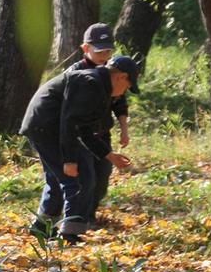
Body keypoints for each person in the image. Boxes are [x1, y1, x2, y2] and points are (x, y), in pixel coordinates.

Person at [20, 56, 140, 243]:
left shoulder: (99, 85)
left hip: (52, 128)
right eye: (127, 87)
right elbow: (70, 123)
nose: (122, 93)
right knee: (76, 179)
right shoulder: (91, 83)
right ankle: (69, 235)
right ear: (121, 77)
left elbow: (85, 130)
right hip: (45, 127)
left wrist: (110, 155)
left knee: (63, 180)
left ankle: (42, 229)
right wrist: (69, 160)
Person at [67, 23, 134, 227]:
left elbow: (120, 103)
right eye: (99, 51)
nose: (104, 56)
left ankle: (90, 214)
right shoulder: (76, 72)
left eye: (108, 51)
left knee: (102, 177)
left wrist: (124, 130)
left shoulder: (112, 73)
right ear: (85, 48)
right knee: (87, 178)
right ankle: (79, 219)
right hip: (83, 136)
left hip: (102, 134)